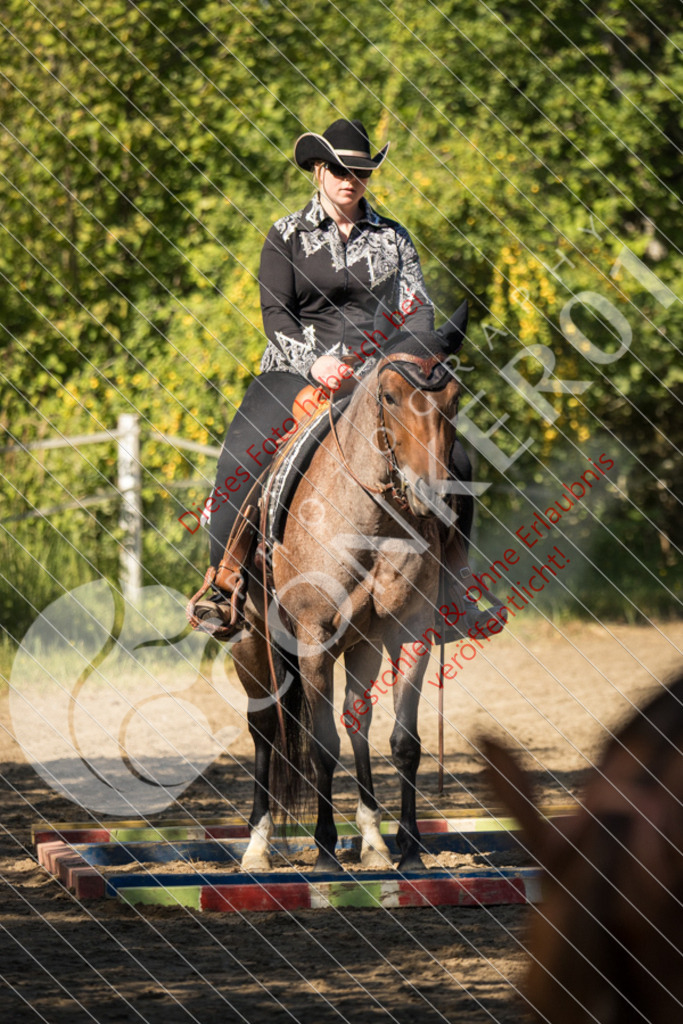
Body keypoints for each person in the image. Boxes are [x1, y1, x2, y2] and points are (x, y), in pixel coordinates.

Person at [189, 118, 478, 637]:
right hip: (294, 371)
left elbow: (417, 309)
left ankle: (455, 589)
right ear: (319, 170)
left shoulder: (394, 238)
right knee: (241, 456)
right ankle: (224, 583)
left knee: (455, 458)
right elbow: (276, 315)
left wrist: (409, 361)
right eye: (342, 171)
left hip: (378, 376)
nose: (352, 180)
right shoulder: (286, 235)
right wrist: (315, 361)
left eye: (361, 172)